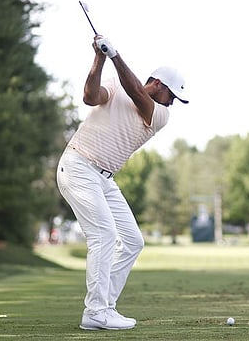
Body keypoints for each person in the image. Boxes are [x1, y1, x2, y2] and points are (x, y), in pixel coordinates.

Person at [56, 35, 189, 331]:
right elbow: (90, 97)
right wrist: (100, 59)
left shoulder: (160, 115)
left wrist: (116, 56)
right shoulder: (117, 86)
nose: (172, 104)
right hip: (78, 166)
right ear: (159, 84)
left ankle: (106, 307)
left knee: (132, 241)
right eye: (173, 96)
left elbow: (137, 94)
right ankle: (96, 311)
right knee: (104, 236)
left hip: (104, 178)